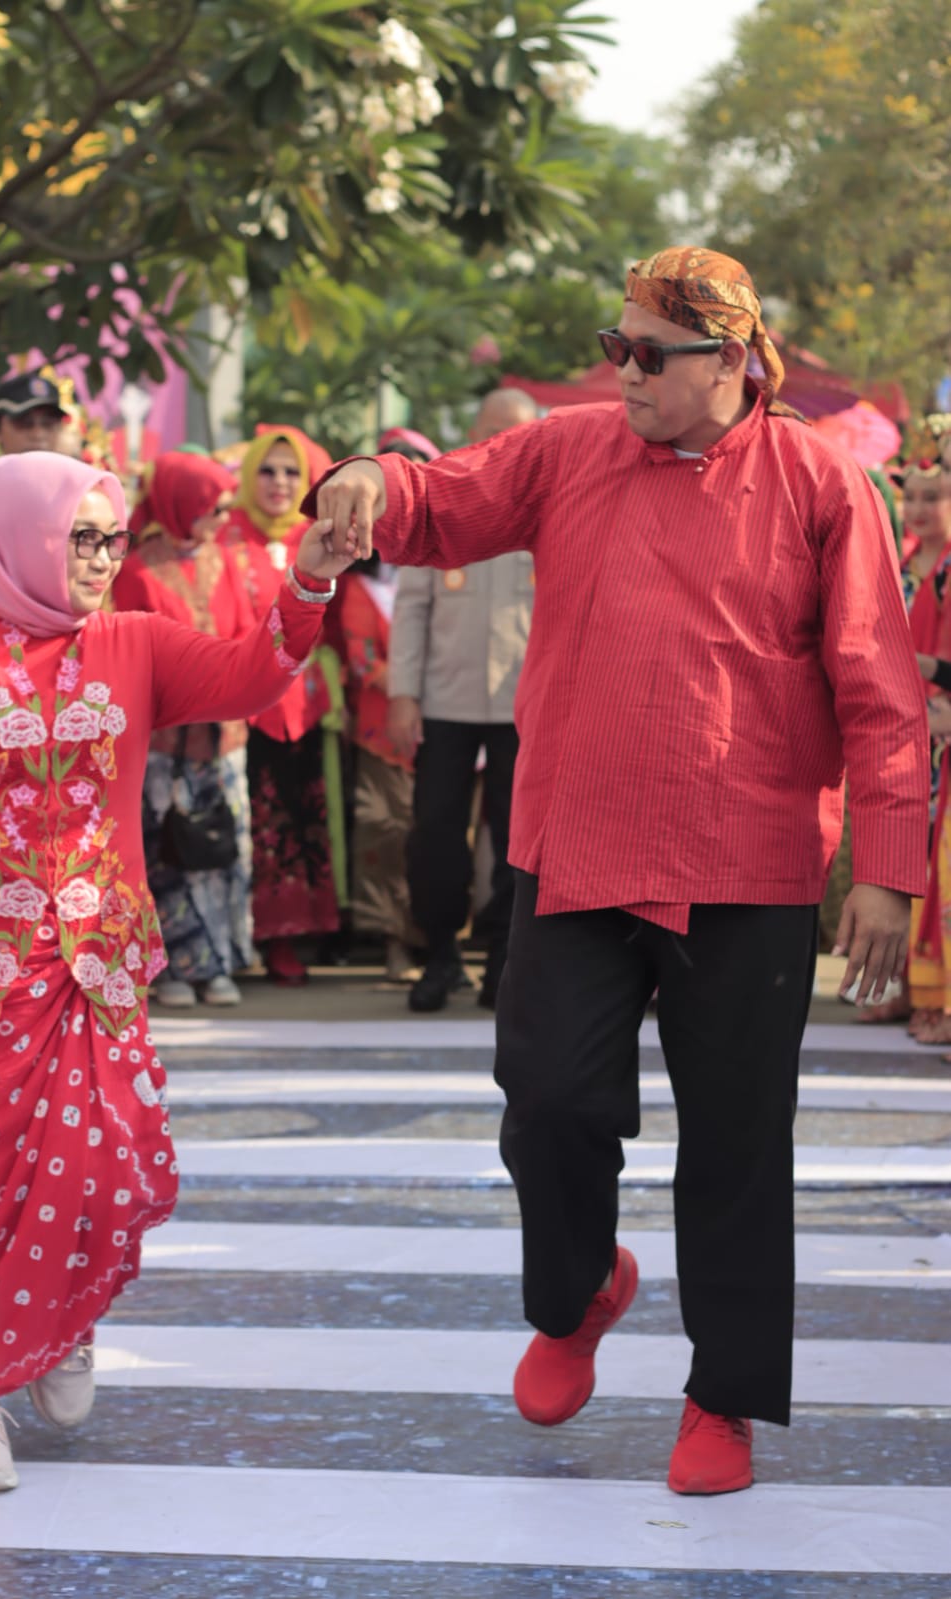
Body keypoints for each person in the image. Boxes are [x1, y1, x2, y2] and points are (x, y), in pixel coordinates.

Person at [309, 246, 929, 1496]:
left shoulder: (824, 483)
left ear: (736, 362)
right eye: (617, 345)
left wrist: (888, 866)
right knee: (545, 1101)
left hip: (747, 861)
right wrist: (365, 476)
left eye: (650, 353)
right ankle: (578, 1288)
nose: (624, 372)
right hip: (572, 841)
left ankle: (723, 1402)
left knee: (739, 1148)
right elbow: (439, 502)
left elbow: (877, 682)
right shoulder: (568, 450)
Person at [0, 450, 350, 1493]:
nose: (102, 559)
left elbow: (248, 673)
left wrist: (308, 579)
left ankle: (62, 1324)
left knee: (91, 1172)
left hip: (93, 968)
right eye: (79, 539)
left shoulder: (131, 644)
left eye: (109, 538)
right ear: (14, 540)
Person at [387, 388, 538, 1012]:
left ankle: (504, 958)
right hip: (446, 698)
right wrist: (402, 694)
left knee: (515, 838)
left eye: (517, 434)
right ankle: (440, 953)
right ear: (473, 433)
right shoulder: (441, 494)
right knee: (435, 834)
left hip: (524, 701)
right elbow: (412, 608)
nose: (503, 445)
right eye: (493, 431)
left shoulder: (549, 501)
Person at [111, 450, 257, 1008]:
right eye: (211, 507)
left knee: (222, 842)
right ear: (178, 504)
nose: (222, 517)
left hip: (223, 734)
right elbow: (135, 648)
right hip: (164, 737)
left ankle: (219, 961)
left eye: (225, 505)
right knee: (165, 846)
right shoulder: (136, 568)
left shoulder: (231, 561)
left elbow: (247, 632)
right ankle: (169, 967)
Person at [222, 427, 343, 985]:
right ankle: (249, 940)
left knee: (300, 821)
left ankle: (300, 933)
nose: (278, 482)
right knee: (253, 824)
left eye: (291, 472)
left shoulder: (315, 536)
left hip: (307, 707)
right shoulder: (225, 538)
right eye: (267, 471)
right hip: (245, 705)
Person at [339, 428, 442, 983]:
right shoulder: (360, 585)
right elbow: (363, 662)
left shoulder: (452, 563)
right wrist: (413, 689)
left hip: (452, 726)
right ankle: (394, 943)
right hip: (387, 733)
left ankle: (439, 942)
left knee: (444, 837)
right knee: (388, 832)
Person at [897, 460, 951, 1040]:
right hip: (921, 725)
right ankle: (918, 991)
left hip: (939, 718)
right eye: (910, 497)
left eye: (931, 496)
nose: (918, 509)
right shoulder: (907, 568)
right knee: (920, 857)